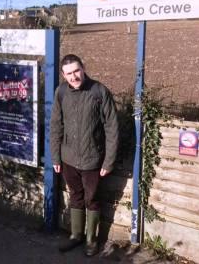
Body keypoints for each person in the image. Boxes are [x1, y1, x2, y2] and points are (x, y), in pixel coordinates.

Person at [50, 54, 119, 256]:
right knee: (75, 196)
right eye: (69, 73)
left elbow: (112, 128)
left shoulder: (99, 91)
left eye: (76, 71)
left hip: (92, 159)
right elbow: (56, 126)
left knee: (92, 199)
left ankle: (91, 240)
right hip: (68, 158)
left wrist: (109, 160)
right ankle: (76, 235)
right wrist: (56, 156)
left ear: (83, 68)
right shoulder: (61, 92)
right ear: (63, 75)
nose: (74, 76)